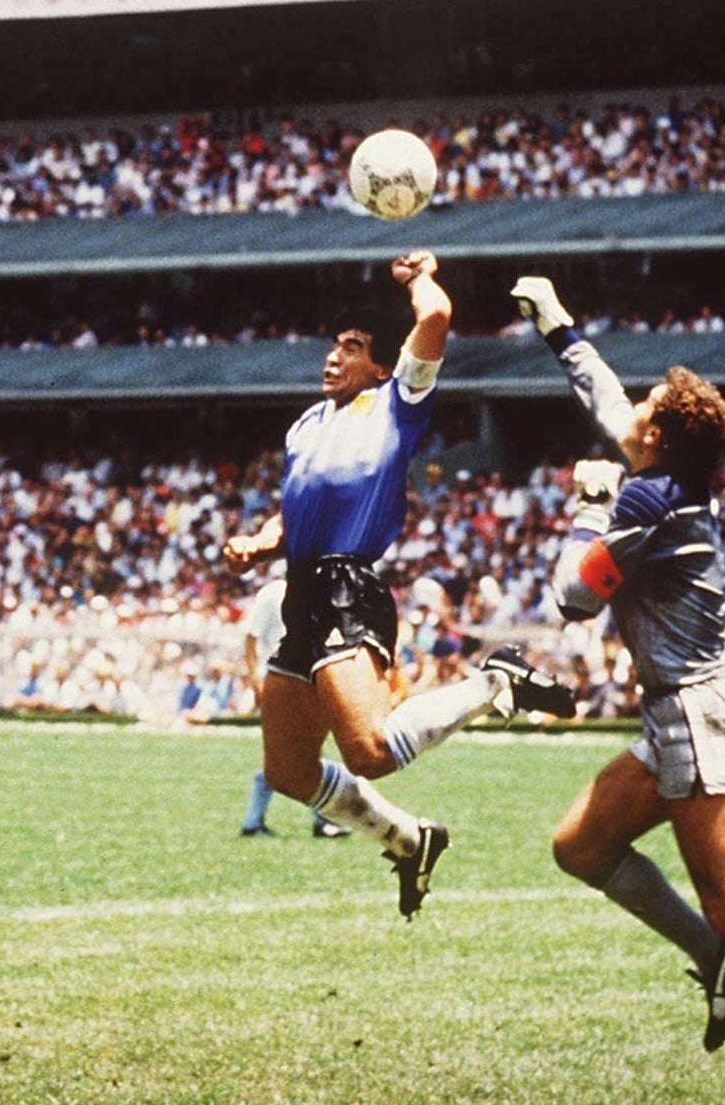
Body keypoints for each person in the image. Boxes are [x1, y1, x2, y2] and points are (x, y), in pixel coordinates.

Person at [511, 275, 725, 1105]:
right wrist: (558, 326)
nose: (632, 416)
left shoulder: (650, 501)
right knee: (579, 846)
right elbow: (610, 397)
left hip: (696, 714)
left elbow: (573, 597)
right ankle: (715, 960)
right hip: (678, 715)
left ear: (653, 438)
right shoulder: (666, 480)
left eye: (645, 412)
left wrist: (589, 507)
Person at [223, 252, 574, 918]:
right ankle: (410, 840)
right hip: (302, 590)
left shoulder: (396, 402)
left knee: (372, 751)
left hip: (348, 586)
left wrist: (418, 279)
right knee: (289, 772)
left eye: (351, 348)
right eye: (333, 347)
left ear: (381, 366)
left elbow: (437, 315)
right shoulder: (307, 425)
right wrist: (261, 541)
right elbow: (295, 508)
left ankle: (494, 684)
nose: (333, 358)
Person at [236, 576, 346, 839]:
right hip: (282, 678)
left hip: (311, 679)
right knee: (289, 755)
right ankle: (320, 821)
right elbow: (251, 638)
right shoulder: (274, 592)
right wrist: (255, 681)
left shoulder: (321, 593)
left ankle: (255, 821)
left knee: (299, 754)